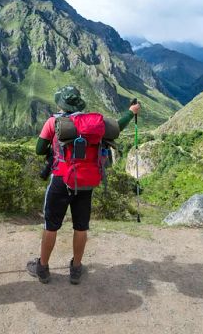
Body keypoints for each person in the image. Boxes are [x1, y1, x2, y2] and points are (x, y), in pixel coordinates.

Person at [26, 86, 140, 285]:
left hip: (61, 179)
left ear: (62, 104)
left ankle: (42, 268)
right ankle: (76, 268)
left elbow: (38, 149)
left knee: (51, 226)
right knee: (81, 227)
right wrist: (131, 112)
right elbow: (118, 126)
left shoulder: (53, 122)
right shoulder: (96, 124)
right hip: (86, 181)